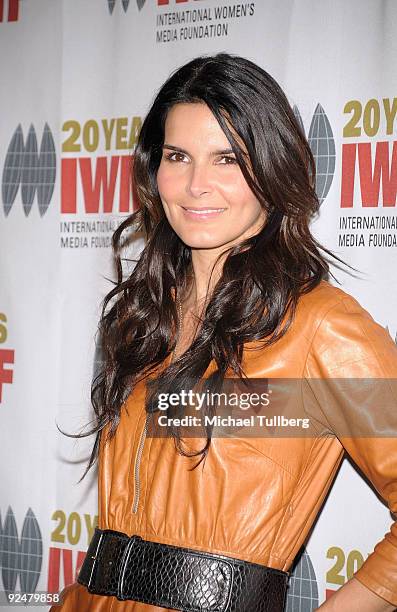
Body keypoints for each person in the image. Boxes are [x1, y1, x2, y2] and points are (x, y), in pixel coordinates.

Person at [51, 53, 397, 611]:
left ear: (272, 168)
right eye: (177, 156)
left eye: (227, 159)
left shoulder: (320, 325)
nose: (195, 185)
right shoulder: (141, 319)